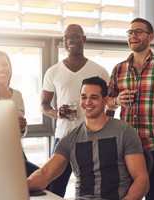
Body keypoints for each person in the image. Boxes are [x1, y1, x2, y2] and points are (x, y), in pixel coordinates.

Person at [28, 76, 149, 200]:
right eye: (84, 97)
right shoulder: (70, 138)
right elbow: (44, 174)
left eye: (94, 97)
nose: (87, 102)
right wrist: (21, 185)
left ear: (105, 100)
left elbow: (141, 179)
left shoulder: (124, 131)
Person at [107, 18, 154, 200]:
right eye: (130, 32)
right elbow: (107, 102)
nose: (133, 36)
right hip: (124, 148)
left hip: (153, 147)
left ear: (150, 37)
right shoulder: (119, 69)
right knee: (124, 196)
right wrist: (116, 100)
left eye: (138, 32)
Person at [41, 24, 110, 197]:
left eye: (75, 35)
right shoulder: (53, 71)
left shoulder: (99, 71)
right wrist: (57, 113)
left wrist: (105, 130)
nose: (70, 39)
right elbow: (44, 104)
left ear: (83, 39)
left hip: (92, 140)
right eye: (66, 37)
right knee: (55, 189)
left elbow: (109, 104)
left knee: (91, 190)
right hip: (63, 138)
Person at [0, 50, 39, 177]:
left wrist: (21, 127)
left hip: (15, 153)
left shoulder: (17, 95)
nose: (1, 69)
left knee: (41, 181)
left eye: (4, 64)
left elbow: (20, 134)